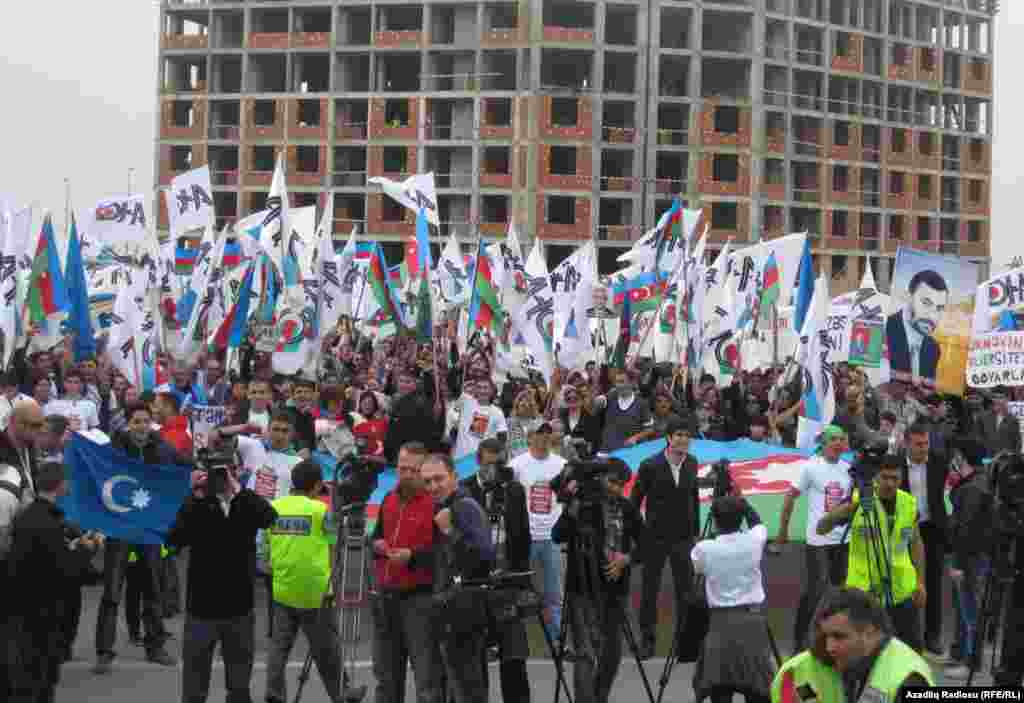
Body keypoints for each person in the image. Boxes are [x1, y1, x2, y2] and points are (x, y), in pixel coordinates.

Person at [166, 443, 278, 703]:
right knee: (194, 688)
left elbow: (270, 517)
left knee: (239, 688)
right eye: (216, 471)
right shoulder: (198, 505)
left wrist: (239, 491)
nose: (221, 477)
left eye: (225, 471)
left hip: (239, 609)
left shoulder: (246, 503)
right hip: (201, 610)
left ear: (236, 471)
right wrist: (193, 497)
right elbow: (174, 540)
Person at [93, 403, 182, 674]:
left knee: (152, 588)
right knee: (112, 590)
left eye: (146, 421)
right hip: (120, 528)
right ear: (128, 424)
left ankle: (155, 647)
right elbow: (98, 481)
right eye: (136, 422)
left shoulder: (163, 449)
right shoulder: (113, 450)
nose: (142, 427)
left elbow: (179, 474)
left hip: (149, 529)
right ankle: (104, 652)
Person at [6, 462, 104, 703]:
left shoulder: (29, 516)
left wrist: (74, 548)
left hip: (24, 610)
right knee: (39, 681)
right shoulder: (47, 522)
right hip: (43, 614)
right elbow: (64, 569)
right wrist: (88, 549)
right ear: (61, 486)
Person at [552, 458, 646, 703]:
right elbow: (557, 535)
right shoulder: (583, 506)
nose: (616, 488)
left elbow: (647, 543)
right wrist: (571, 509)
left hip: (615, 589)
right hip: (581, 588)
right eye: (613, 482)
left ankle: (599, 695)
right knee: (584, 652)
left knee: (612, 652)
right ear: (601, 479)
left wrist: (626, 559)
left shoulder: (627, 508)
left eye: (621, 485)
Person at [816, 455, 926, 652]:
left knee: (911, 651)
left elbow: (916, 543)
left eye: (895, 478)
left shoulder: (908, 504)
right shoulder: (859, 500)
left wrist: (919, 581)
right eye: (885, 477)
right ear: (875, 477)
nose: (890, 483)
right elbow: (822, 527)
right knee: (869, 652)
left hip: (901, 591)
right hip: (865, 594)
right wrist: (850, 509)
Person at [265, 460, 345, 703]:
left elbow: (264, 545)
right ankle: (342, 694)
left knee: (279, 647)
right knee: (326, 650)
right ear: (318, 485)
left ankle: (274, 692)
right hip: (315, 591)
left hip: (282, 587)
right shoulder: (320, 510)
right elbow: (334, 542)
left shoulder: (273, 507)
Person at [370, 442, 442, 703]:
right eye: (402, 469)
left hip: (420, 600)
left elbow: (443, 553)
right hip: (386, 597)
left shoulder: (435, 504)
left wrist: (412, 556)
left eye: (414, 469)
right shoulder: (388, 499)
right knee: (386, 678)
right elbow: (376, 535)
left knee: (427, 679)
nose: (407, 475)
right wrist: (376, 544)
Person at [461, 438, 532, 702]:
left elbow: (523, 535)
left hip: (508, 581)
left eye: (500, 463)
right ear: (479, 462)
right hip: (476, 582)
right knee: (475, 656)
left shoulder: (513, 489)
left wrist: (522, 579)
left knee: (513, 656)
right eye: (490, 463)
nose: (495, 469)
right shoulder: (465, 489)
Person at [421, 452, 495, 703]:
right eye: (427, 481)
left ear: (454, 476)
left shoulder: (464, 506)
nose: (432, 486)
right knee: (456, 686)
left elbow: (485, 558)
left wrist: (449, 530)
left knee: (467, 687)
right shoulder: (445, 506)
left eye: (438, 479)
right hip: (449, 608)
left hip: (465, 611)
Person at [692, 495, 776, 703]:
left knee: (719, 689)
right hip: (752, 623)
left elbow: (698, 567)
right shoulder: (755, 540)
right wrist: (744, 504)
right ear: (741, 518)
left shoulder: (704, 549)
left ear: (715, 520)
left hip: (719, 625)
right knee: (758, 689)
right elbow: (757, 523)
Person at [776, 425, 853, 652]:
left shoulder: (849, 469)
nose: (838, 443)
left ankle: (835, 642)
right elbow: (790, 497)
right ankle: (800, 644)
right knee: (815, 592)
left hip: (843, 540)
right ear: (824, 443)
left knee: (840, 593)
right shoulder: (810, 467)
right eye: (834, 439)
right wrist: (783, 531)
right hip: (818, 541)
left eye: (841, 439)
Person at [631, 416, 700, 659]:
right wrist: (638, 534)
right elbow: (634, 502)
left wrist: (696, 533)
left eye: (686, 435)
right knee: (650, 591)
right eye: (678, 435)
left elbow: (694, 499)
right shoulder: (649, 465)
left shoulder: (692, 463)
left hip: (684, 538)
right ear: (668, 438)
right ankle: (647, 642)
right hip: (655, 538)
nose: (683, 439)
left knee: (686, 592)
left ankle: (685, 644)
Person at [803, 588, 933, 701]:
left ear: (870, 633)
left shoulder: (909, 681)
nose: (829, 647)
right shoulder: (850, 661)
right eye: (826, 636)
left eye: (839, 637)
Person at [509, 424, 567, 645]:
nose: (543, 438)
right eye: (538, 434)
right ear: (529, 436)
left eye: (546, 434)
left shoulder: (562, 464)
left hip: (553, 536)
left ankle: (557, 642)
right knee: (518, 592)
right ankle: (516, 642)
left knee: (555, 594)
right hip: (527, 536)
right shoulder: (516, 465)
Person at [945, 440, 994, 679]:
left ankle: (971, 663)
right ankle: (962, 654)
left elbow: (967, 529)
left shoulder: (973, 487)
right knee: (967, 610)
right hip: (974, 557)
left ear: (963, 459)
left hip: (971, 559)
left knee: (971, 612)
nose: (953, 460)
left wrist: (958, 564)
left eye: (956, 456)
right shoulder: (977, 482)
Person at [899, 421, 948, 656]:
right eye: (918, 444)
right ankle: (907, 637)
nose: (923, 448)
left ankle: (933, 636)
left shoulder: (939, 462)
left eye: (926, 443)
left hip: (932, 528)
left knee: (933, 583)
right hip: (905, 530)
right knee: (905, 580)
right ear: (906, 444)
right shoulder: (897, 464)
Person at [885, 270, 948, 384]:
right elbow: (865, 374)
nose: (932, 316)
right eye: (926, 303)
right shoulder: (882, 328)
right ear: (909, 297)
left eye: (939, 308)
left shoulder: (933, 348)